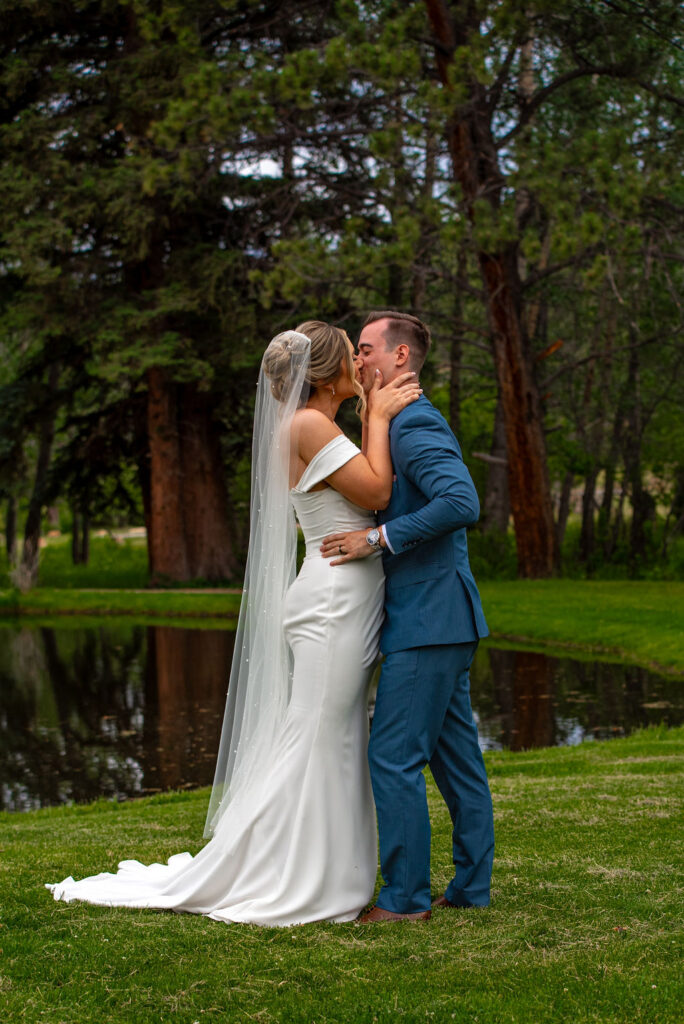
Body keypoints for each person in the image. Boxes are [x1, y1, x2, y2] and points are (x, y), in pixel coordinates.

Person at [46, 321, 421, 926]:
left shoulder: (314, 425)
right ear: (326, 376)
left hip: (340, 597)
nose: (361, 363)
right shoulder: (308, 425)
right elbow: (378, 493)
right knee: (317, 739)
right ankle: (281, 873)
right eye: (353, 356)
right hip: (332, 602)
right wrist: (378, 420)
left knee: (334, 737)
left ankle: (327, 871)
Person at [320, 311, 494, 923]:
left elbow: (460, 502)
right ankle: (471, 889)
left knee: (392, 757)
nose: (358, 358)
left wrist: (378, 539)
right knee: (456, 762)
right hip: (443, 618)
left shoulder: (413, 422)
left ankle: (403, 901)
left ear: (400, 359)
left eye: (366, 349)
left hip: (428, 619)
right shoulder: (393, 420)